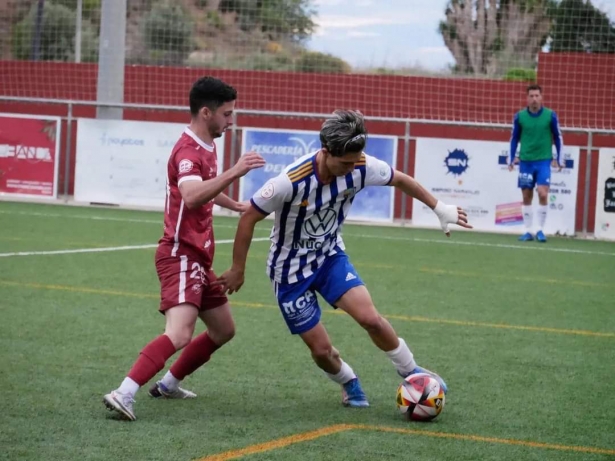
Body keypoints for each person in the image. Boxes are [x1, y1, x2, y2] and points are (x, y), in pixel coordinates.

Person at [215, 110, 472, 408]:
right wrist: (237, 268)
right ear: (326, 152)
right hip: (290, 272)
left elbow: (401, 180)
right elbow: (248, 217)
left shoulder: (361, 165)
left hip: (329, 257)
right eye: (345, 164)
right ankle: (349, 381)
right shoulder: (290, 181)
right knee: (322, 351)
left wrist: (439, 207)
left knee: (371, 319)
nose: (353, 169)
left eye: (356, 162)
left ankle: (411, 371)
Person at [103, 76, 266, 421]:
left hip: (197, 258)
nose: (231, 120)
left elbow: (199, 187)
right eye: (227, 113)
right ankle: (124, 392)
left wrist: (232, 204)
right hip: (180, 254)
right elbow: (191, 194)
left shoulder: (206, 143)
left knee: (224, 329)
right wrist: (236, 171)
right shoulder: (188, 151)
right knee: (179, 333)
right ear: (206, 113)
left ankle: (169, 384)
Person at [508, 84, 563, 243]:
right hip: (525, 161)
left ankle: (540, 229)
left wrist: (559, 158)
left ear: (541, 97)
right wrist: (512, 158)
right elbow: (514, 138)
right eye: (531, 96)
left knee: (543, 193)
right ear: (527, 98)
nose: (534, 99)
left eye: (537, 96)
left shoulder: (550, 115)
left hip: (543, 160)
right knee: (526, 195)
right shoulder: (520, 117)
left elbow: (558, 137)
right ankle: (528, 231)